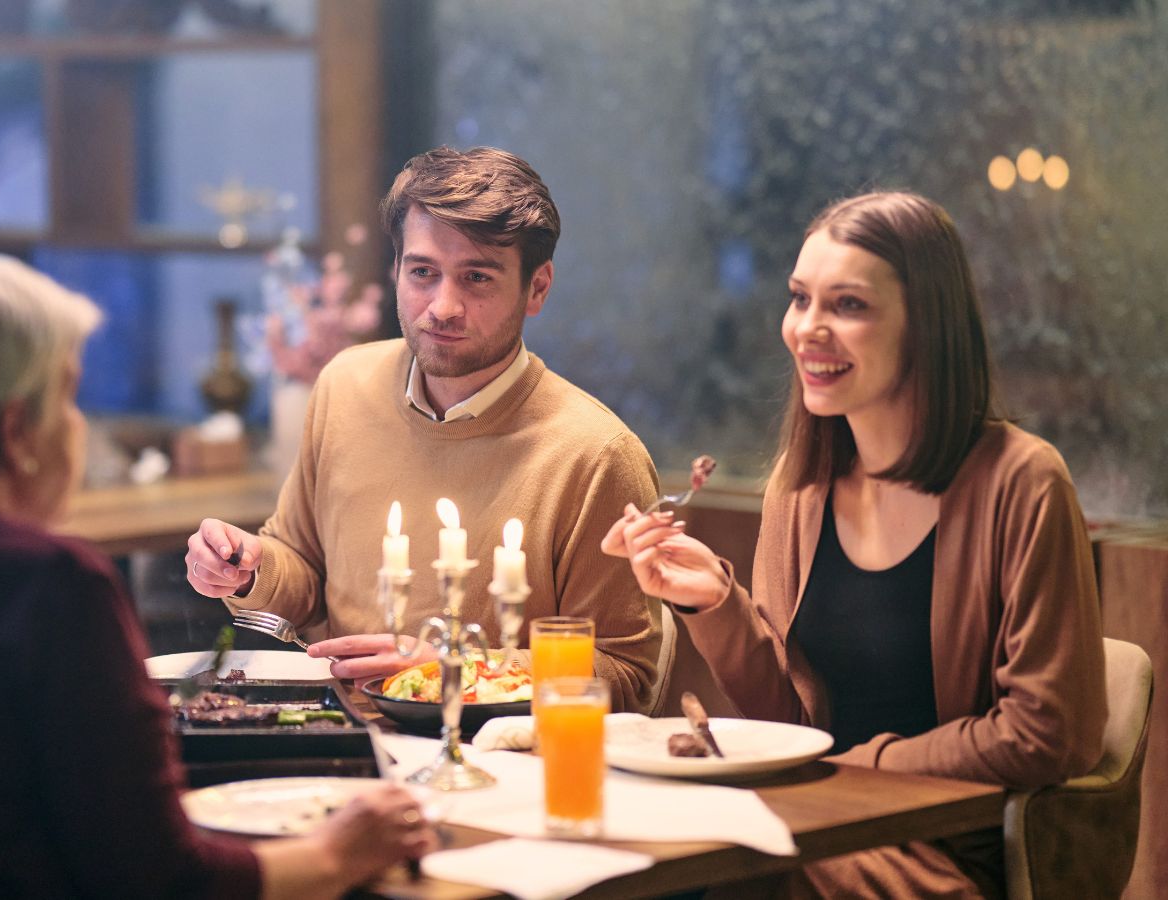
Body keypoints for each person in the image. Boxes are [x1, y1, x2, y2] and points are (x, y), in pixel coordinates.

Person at [0, 250, 432, 899]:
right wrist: (342, 850)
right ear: (16, 431)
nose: (76, 427)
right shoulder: (47, 587)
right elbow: (159, 880)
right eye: (67, 398)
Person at [603, 191, 1106, 897]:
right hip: (816, 818)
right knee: (627, 856)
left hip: (942, 848)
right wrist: (714, 604)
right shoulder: (800, 487)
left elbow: (1046, 731)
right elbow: (790, 723)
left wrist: (865, 764)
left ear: (925, 325)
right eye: (800, 299)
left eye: (848, 306)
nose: (808, 329)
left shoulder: (1021, 480)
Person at [187, 147, 664, 711]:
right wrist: (248, 568)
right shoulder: (345, 384)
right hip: (344, 742)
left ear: (537, 288)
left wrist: (454, 673)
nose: (442, 306)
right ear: (396, 271)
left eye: (477, 278)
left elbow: (627, 677)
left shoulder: (595, 454)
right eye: (423, 272)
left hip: (502, 769)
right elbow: (303, 569)